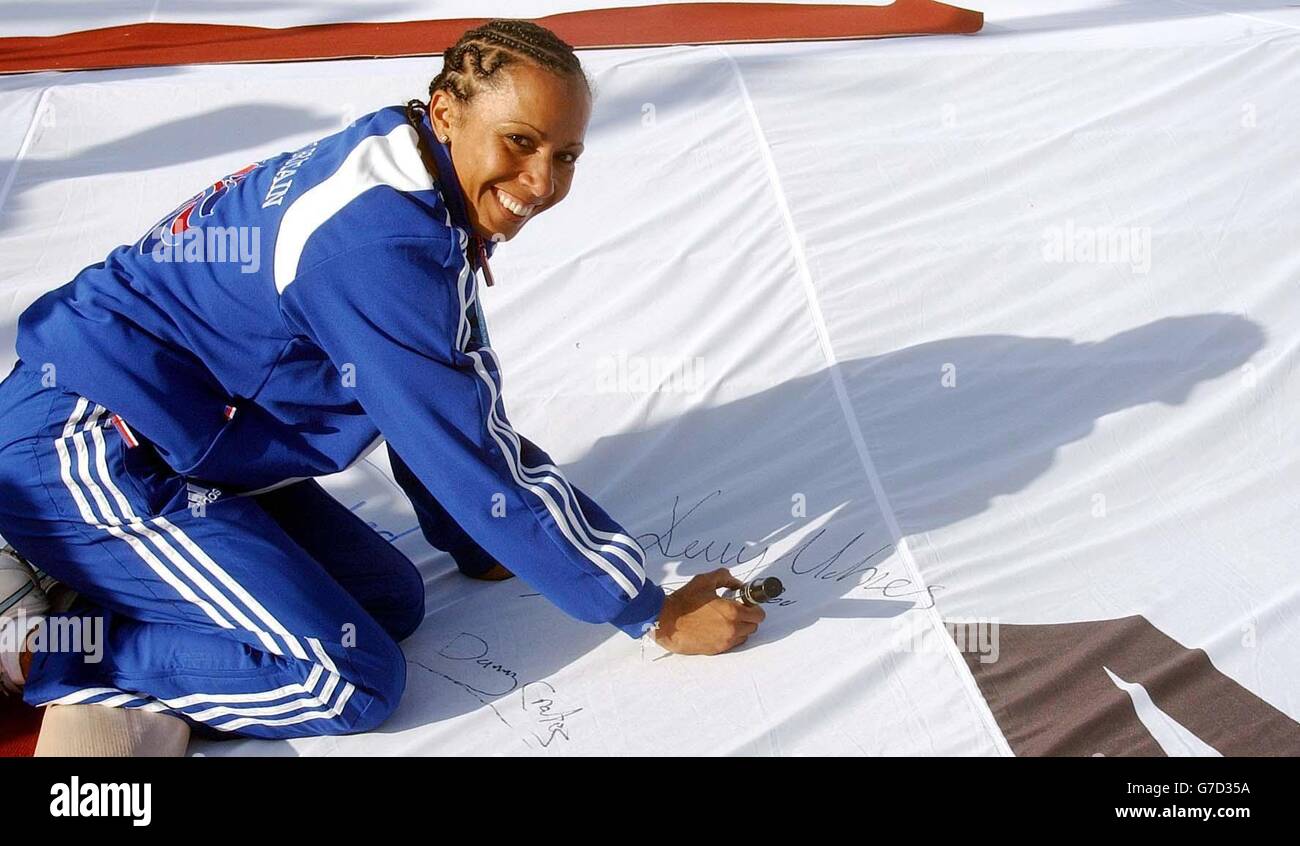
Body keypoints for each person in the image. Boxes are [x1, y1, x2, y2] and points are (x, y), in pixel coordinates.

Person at [0, 19, 764, 744]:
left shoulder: (413, 170)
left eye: (566, 156)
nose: (540, 180)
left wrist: (474, 534)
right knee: (346, 680)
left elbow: (436, 393)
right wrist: (649, 611)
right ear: (446, 110)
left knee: (389, 601)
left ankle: (99, 574)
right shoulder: (373, 245)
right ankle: (46, 646)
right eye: (521, 142)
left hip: (181, 436)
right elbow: (456, 441)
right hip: (83, 444)